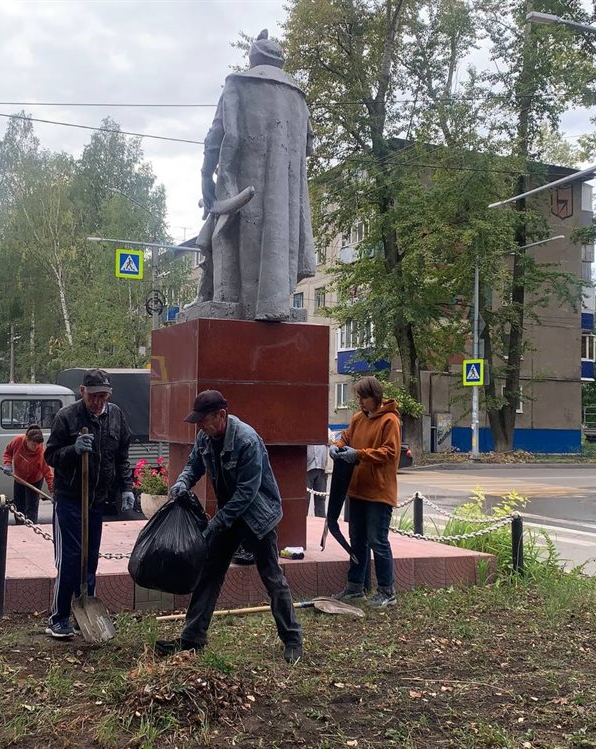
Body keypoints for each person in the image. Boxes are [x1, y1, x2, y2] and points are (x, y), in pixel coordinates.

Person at [156, 390, 303, 664]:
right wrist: (181, 483)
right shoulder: (205, 437)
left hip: (258, 516)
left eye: (204, 420)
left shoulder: (247, 440)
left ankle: (292, 639)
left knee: (272, 577)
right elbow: (193, 465)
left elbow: (247, 493)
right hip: (229, 515)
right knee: (209, 572)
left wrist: (215, 524)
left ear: (221, 415)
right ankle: (192, 638)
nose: (200, 426)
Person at [195, 29, 316, 321]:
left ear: (253, 57)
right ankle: (266, 303)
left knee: (225, 236)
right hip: (284, 200)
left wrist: (206, 178)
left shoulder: (238, 83)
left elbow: (216, 137)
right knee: (265, 241)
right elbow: (308, 146)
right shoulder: (298, 98)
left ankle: (229, 300)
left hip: (240, 186)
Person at [43, 369, 133, 639]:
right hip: (70, 499)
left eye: (102, 396)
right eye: (93, 396)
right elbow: (50, 455)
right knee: (71, 558)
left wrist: (126, 487)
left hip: (97, 500)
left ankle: (85, 614)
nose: (97, 401)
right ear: (82, 391)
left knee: (90, 559)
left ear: (109, 395)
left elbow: (122, 455)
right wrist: (74, 449)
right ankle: (58, 618)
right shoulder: (67, 416)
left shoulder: (116, 416)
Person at [330, 376, 402, 607]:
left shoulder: (390, 420)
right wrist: (337, 448)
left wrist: (359, 454)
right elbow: (345, 439)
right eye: (358, 398)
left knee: (377, 541)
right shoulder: (358, 418)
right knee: (357, 540)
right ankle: (354, 588)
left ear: (376, 397)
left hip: (379, 492)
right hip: (357, 490)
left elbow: (389, 452)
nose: (360, 402)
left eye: (364, 398)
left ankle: (387, 591)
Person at [2, 424, 54, 524]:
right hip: (19, 478)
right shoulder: (18, 441)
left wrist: (52, 491)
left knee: (31, 508)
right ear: (27, 439)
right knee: (19, 506)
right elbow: (8, 452)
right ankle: (19, 526)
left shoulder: (42, 454)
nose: (36, 447)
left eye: (38, 444)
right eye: (33, 444)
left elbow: (48, 474)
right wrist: (7, 464)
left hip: (35, 480)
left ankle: (31, 526)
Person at [306, 442, 329, 518]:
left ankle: (321, 523)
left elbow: (332, 440)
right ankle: (302, 523)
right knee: (304, 500)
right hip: (306, 468)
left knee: (321, 500)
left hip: (322, 467)